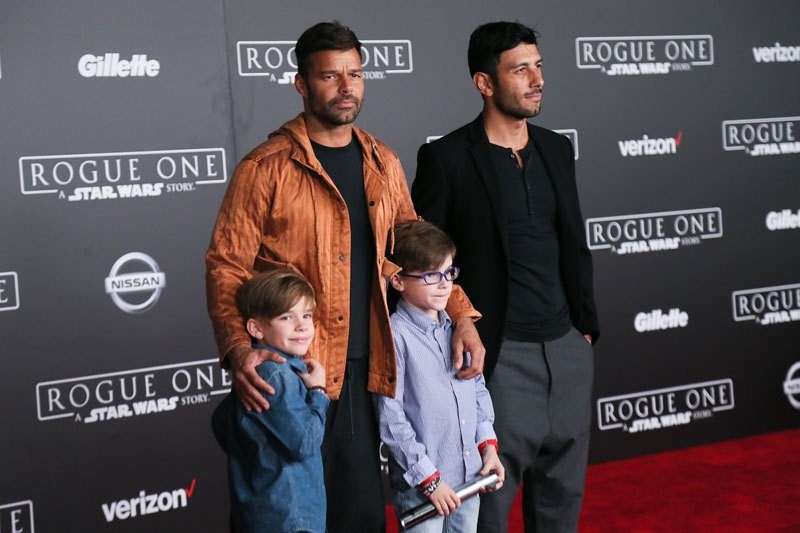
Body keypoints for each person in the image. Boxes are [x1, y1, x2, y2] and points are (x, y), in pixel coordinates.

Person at [205, 21, 484, 532]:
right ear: (302, 83)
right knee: (285, 518)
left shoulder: (383, 162)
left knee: (357, 518)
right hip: (289, 374)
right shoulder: (264, 168)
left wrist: (461, 315)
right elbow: (227, 265)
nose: (346, 86)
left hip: (362, 371)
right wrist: (238, 349)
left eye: (354, 74)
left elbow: (417, 254)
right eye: (330, 76)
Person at [411, 21, 600, 533]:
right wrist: (462, 321)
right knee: (486, 508)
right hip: (495, 355)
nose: (537, 80)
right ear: (485, 83)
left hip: (565, 348)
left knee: (562, 501)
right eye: (520, 70)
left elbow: (573, 243)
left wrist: (583, 331)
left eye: (538, 66)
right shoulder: (447, 158)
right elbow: (421, 260)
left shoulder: (556, 148)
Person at [376, 220, 505, 533]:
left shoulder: (457, 328)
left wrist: (488, 448)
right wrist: (429, 480)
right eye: (431, 275)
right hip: (423, 489)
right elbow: (391, 418)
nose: (445, 284)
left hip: (471, 478)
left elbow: (477, 391)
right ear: (398, 281)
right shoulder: (395, 337)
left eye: (449, 272)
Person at [212, 268, 328, 533]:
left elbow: (220, 421)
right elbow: (304, 442)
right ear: (256, 328)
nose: (302, 325)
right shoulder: (276, 375)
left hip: (259, 514)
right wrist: (319, 392)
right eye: (286, 317)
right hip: (291, 519)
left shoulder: (262, 372)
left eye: (306, 315)